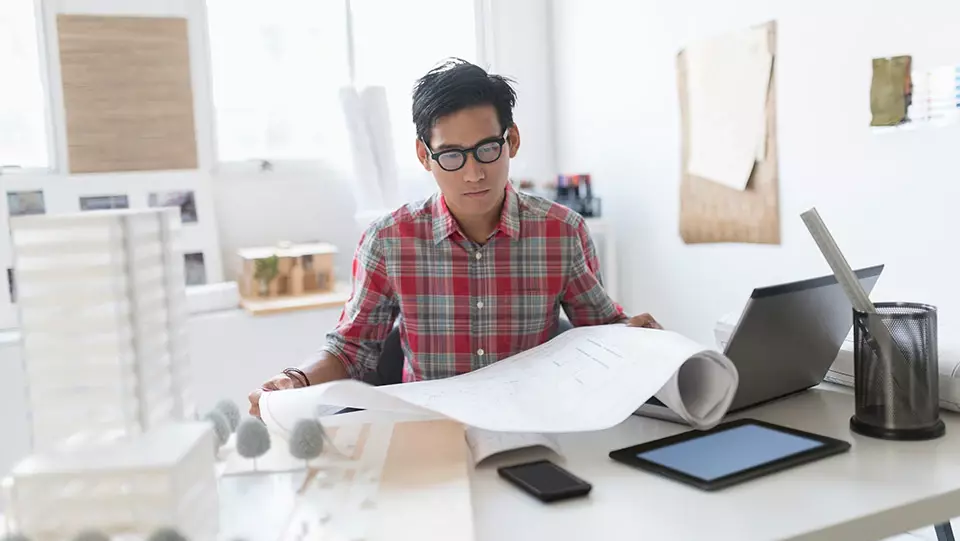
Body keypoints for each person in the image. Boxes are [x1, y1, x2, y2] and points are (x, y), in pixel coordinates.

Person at [248, 59, 661, 417]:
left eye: (486, 149)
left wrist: (635, 336)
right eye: (451, 155)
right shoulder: (389, 240)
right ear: (424, 156)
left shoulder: (562, 232)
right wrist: (296, 380)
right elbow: (350, 349)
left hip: (536, 422)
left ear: (511, 141)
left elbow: (602, 332)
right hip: (426, 429)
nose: (473, 173)